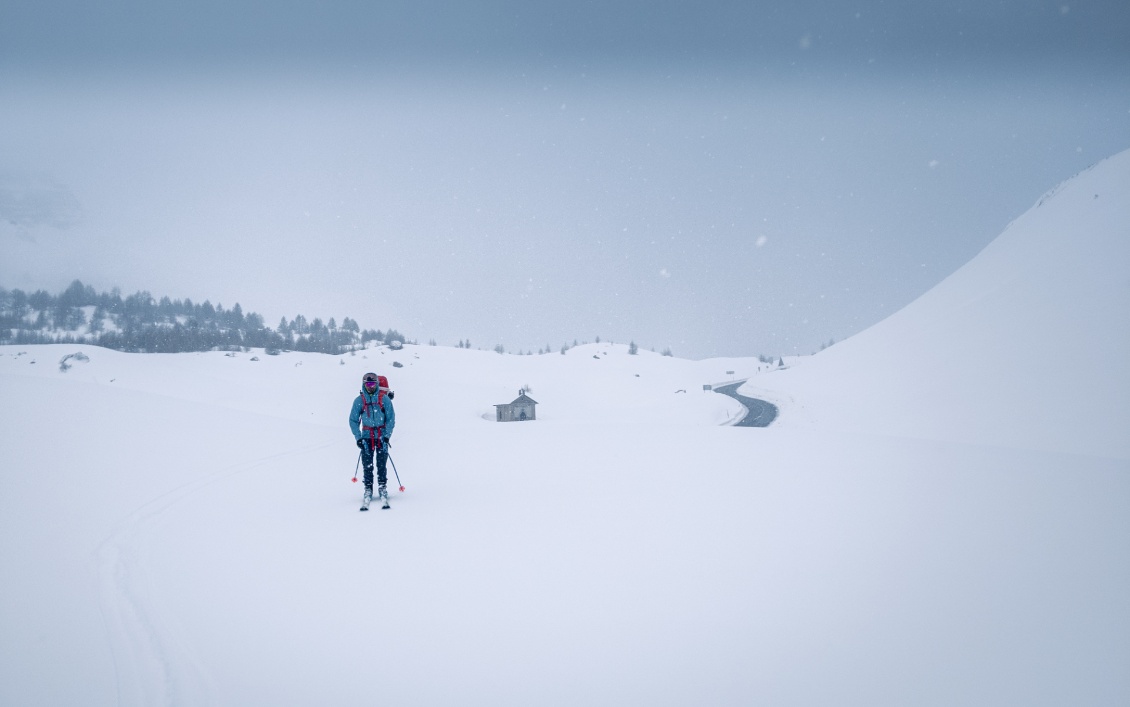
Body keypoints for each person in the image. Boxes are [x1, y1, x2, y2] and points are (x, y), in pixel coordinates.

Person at [349, 372, 396, 505]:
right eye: (368, 384)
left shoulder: (384, 399)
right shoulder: (359, 401)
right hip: (366, 437)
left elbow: (391, 419)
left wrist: (386, 436)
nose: (370, 387)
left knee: (382, 463)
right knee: (367, 464)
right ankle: (368, 488)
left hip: (381, 436)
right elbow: (353, 420)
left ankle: (382, 487)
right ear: (364, 384)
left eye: (373, 384)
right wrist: (358, 437)